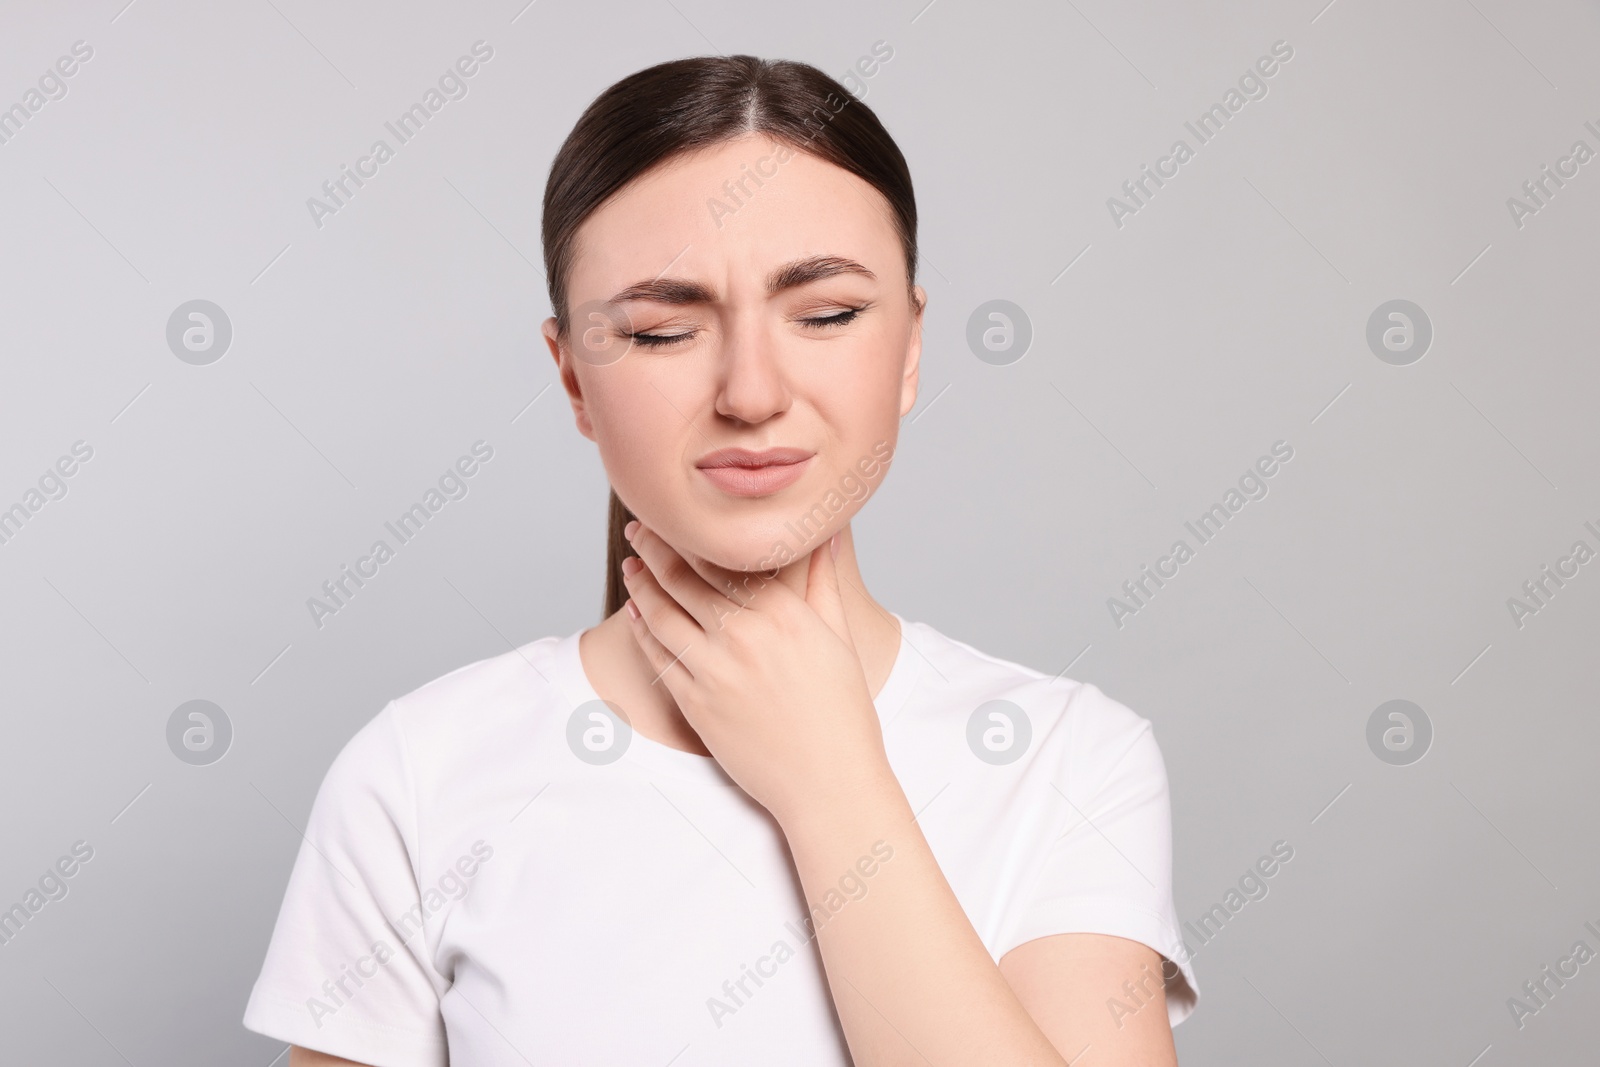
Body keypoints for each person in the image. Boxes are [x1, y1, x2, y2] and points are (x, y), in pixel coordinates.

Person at [243, 54, 1199, 1066]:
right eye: (662, 330)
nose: (750, 390)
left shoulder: (1066, 760)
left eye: (826, 314)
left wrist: (829, 776)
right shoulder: (419, 774)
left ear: (911, 348)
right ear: (571, 373)